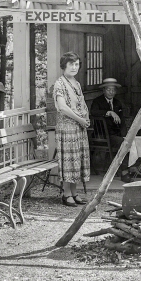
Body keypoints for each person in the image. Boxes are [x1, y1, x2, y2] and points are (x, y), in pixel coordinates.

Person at [53, 52, 90, 207]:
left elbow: (81, 104)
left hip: (78, 127)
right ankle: (66, 194)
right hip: (67, 127)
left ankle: (74, 193)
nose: (74, 67)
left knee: (77, 160)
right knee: (69, 161)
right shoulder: (59, 84)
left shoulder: (76, 83)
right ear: (64, 66)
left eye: (77, 64)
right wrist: (80, 119)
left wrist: (86, 118)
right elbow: (62, 107)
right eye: (71, 64)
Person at [90, 78, 141, 182]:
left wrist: (126, 134)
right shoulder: (97, 101)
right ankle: (124, 173)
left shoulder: (117, 102)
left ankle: (132, 168)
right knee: (123, 143)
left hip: (116, 134)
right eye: (108, 90)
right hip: (102, 135)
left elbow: (122, 121)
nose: (111, 92)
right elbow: (94, 112)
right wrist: (109, 112)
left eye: (113, 90)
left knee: (131, 141)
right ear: (103, 90)